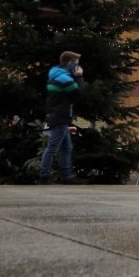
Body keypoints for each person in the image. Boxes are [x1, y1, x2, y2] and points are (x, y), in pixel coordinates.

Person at [40, 51, 85, 184]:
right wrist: (79, 76)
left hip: (59, 116)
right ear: (70, 63)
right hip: (60, 117)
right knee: (52, 147)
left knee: (66, 147)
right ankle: (44, 177)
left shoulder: (57, 75)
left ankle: (67, 176)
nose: (78, 65)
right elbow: (79, 94)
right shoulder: (64, 79)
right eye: (76, 63)